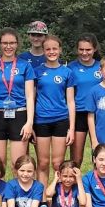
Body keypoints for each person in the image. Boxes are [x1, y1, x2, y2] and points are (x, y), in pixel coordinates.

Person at [0, 28, 35, 171]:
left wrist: (29, 122)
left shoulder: (25, 65)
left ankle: (18, 193)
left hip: (19, 114)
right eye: (5, 43)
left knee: (18, 165)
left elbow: (30, 96)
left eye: (12, 43)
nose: (8, 46)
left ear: (17, 44)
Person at [34, 34, 76, 185]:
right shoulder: (37, 71)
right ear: (44, 51)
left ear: (60, 50)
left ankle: (58, 198)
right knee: (43, 163)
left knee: (58, 164)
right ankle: (43, 200)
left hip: (61, 120)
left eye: (54, 48)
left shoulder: (67, 72)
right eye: (48, 49)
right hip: (41, 121)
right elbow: (31, 99)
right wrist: (31, 124)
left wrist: (71, 128)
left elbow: (70, 101)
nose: (51, 52)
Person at [68, 34, 103, 169]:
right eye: (81, 49)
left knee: (100, 155)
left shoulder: (102, 67)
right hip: (79, 114)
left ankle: (98, 187)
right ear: (77, 50)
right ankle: (74, 187)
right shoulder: (71, 68)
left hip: (99, 114)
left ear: (94, 49)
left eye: (88, 49)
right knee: (76, 158)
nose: (84, 53)